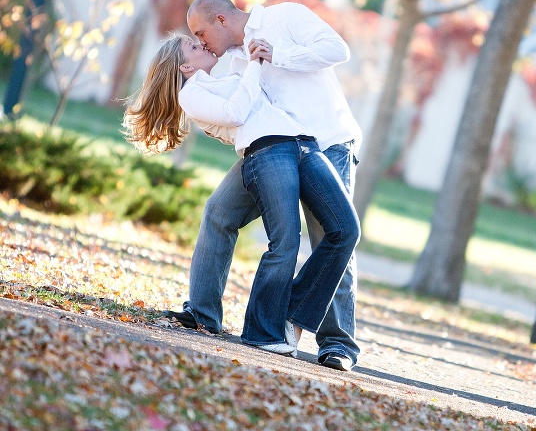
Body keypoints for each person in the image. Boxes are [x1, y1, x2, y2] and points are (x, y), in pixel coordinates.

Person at [123, 34, 360, 357]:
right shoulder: (195, 93)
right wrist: (255, 64)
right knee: (275, 234)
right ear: (185, 65)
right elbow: (237, 111)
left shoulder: (220, 78)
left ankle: (305, 320)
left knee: (345, 230)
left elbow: (243, 105)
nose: (203, 44)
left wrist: (255, 60)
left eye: (201, 38)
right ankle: (243, 324)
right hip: (270, 151)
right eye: (195, 44)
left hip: (306, 143)